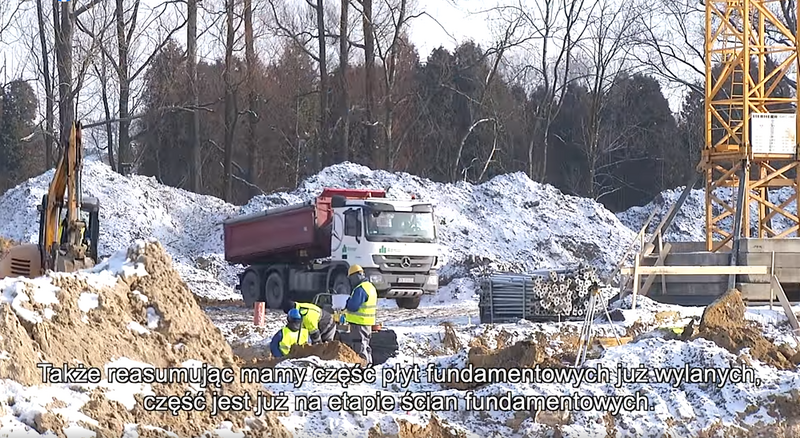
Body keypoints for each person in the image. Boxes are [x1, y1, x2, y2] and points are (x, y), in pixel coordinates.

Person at [344, 264, 377, 366]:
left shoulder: (360, 289)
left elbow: (353, 306)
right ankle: (368, 363)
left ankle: (362, 367)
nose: (351, 282)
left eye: (351, 279)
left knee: (359, 344)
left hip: (359, 323)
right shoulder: (370, 287)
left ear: (356, 276)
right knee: (365, 344)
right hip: (367, 323)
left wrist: (347, 301)